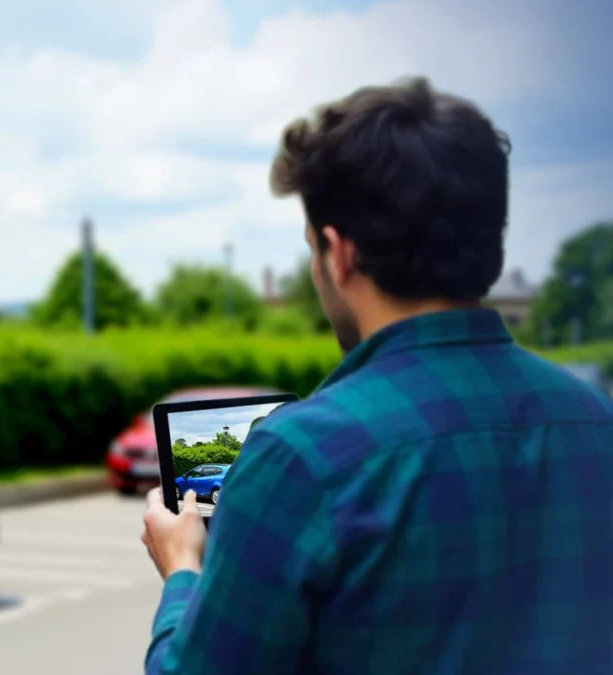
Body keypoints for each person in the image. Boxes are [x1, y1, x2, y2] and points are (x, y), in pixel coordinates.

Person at [140, 77, 613, 674]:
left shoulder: (299, 458)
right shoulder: (597, 420)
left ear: (338, 254)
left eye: (312, 248)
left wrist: (183, 570)